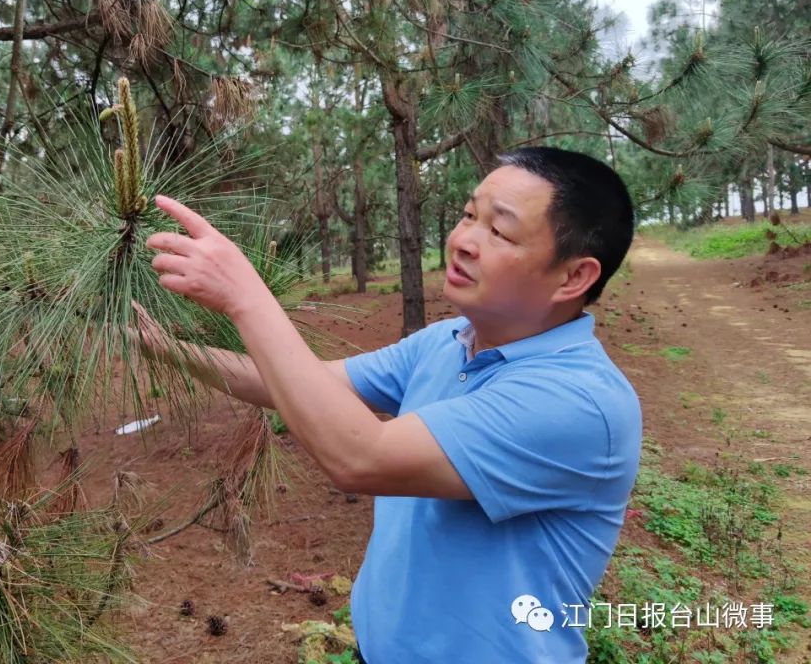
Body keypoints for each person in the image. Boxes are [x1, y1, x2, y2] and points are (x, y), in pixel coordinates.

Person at [138, 147, 642, 663]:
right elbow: (297, 384)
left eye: (500, 232)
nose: (463, 241)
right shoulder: (447, 341)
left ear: (573, 277)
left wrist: (245, 296)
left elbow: (360, 457)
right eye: (469, 215)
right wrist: (164, 346)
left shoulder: (579, 402)